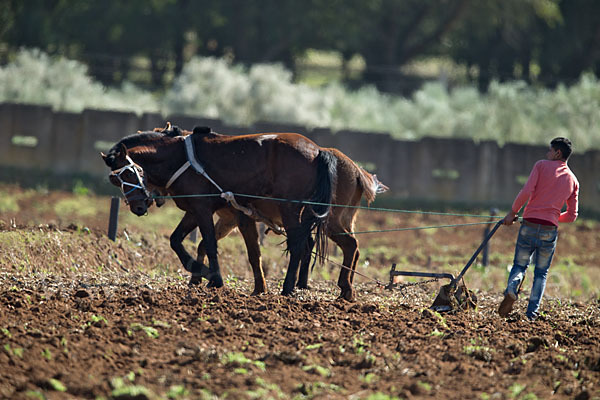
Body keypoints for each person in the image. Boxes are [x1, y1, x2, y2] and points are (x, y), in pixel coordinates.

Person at [498, 137, 579, 321]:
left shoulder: (541, 166)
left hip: (529, 224)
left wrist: (512, 213)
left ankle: (513, 286)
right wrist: (551, 216)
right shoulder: (573, 180)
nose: (547, 154)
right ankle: (531, 314)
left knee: (520, 265)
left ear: (557, 153)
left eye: (550, 151)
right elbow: (572, 215)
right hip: (549, 230)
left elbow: (526, 191)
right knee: (541, 273)